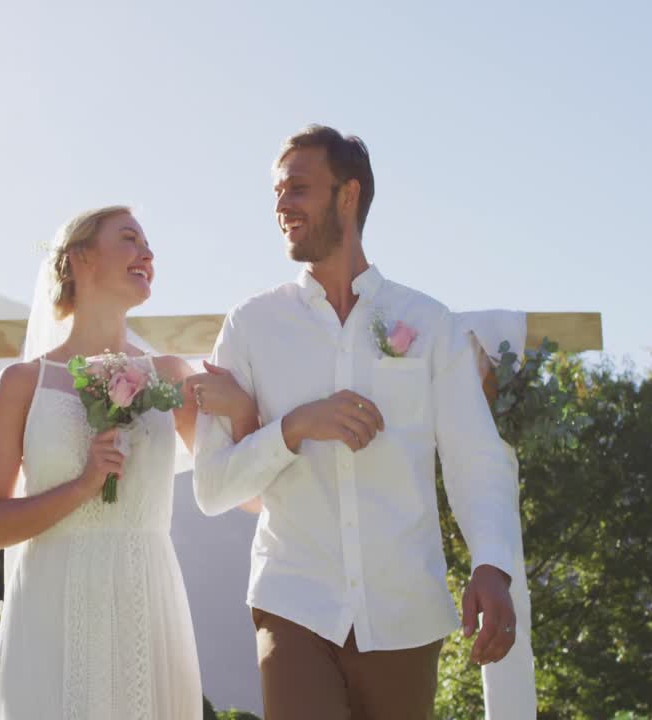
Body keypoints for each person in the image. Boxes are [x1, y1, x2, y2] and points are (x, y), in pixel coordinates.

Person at [188, 125, 521, 719]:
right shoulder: (250, 326)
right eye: (277, 192)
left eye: (298, 188)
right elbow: (212, 489)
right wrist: (294, 427)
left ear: (349, 194)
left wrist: (492, 567)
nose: (282, 205)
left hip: (405, 613)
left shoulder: (430, 322)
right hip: (293, 603)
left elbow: (475, 455)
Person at [0, 206, 257, 720]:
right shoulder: (22, 384)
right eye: (129, 239)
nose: (148, 253)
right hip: (52, 613)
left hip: (144, 605)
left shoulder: (171, 376)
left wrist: (243, 412)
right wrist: (82, 486)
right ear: (81, 257)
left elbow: (242, 491)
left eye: (148, 244)